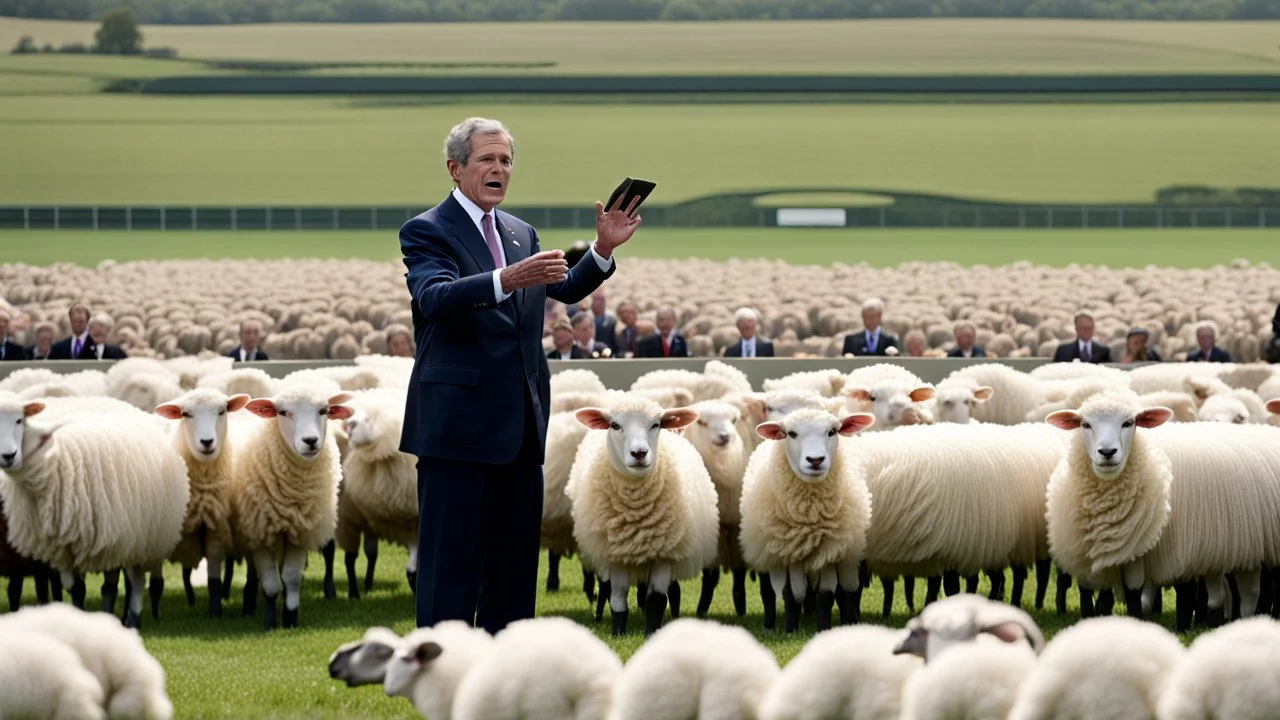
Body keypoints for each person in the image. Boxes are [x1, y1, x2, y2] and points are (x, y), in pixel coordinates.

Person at [398, 117, 641, 635]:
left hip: (520, 431)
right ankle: (445, 688)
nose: (499, 169)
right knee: (450, 575)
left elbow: (563, 288)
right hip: (457, 434)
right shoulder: (426, 230)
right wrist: (505, 278)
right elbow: (433, 297)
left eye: (506, 160)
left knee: (512, 576)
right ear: (455, 168)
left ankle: (506, 688)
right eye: (487, 159)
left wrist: (602, 251)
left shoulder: (519, 231)